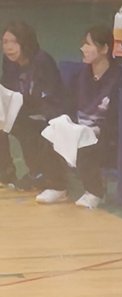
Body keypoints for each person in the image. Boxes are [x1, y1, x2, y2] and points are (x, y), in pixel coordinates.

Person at [36, 25, 122, 208]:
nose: (83, 48)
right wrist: (65, 124)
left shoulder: (120, 80)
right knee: (49, 134)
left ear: (104, 49)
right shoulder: (79, 76)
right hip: (78, 130)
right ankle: (57, 186)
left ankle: (94, 192)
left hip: (105, 137)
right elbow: (67, 106)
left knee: (87, 145)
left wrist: (96, 130)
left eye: (88, 44)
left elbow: (120, 120)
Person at [0, 21, 68, 191]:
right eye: (5, 42)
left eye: (14, 42)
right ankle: (6, 173)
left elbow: (50, 97)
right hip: (24, 109)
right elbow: (7, 89)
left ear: (25, 42)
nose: (8, 47)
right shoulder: (9, 61)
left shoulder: (42, 61)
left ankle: (39, 173)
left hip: (49, 112)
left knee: (27, 127)